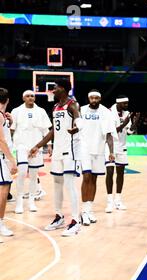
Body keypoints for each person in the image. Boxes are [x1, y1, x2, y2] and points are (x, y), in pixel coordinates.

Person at [30, 79, 82, 236]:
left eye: (56, 87)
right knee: (57, 184)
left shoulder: (72, 104)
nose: (53, 90)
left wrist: (77, 127)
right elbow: (53, 131)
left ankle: (75, 221)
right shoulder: (55, 106)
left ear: (64, 89)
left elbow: (79, 121)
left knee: (69, 184)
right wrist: (38, 145)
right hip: (58, 151)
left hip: (70, 151)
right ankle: (59, 216)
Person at [10, 90, 52, 214]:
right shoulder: (16, 111)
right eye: (28, 96)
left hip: (36, 147)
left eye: (32, 96)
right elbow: (12, 130)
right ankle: (19, 203)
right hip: (21, 146)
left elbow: (46, 130)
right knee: (22, 173)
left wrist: (49, 145)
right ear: (23, 98)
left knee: (34, 175)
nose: (30, 98)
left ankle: (31, 202)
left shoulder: (41, 111)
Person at [80, 90, 116, 224]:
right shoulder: (82, 110)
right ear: (88, 98)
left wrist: (111, 151)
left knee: (94, 179)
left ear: (100, 99)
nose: (94, 100)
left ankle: (89, 210)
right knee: (87, 177)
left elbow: (109, 134)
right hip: (84, 149)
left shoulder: (105, 112)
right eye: (91, 98)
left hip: (99, 149)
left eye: (96, 98)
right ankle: (84, 211)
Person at [105, 95, 139, 213]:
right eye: (124, 103)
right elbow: (112, 131)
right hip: (110, 146)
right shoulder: (109, 112)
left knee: (120, 174)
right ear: (118, 103)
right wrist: (125, 123)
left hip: (122, 147)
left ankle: (118, 200)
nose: (126, 105)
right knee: (109, 172)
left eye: (127, 103)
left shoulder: (127, 113)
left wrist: (135, 122)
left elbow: (129, 132)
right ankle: (109, 202)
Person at [0, 88, 18, 240]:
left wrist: (9, 123)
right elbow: (1, 140)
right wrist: (12, 160)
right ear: (7, 100)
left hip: (2, 156)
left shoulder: (3, 117)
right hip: (0, 156)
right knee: (4, 188)